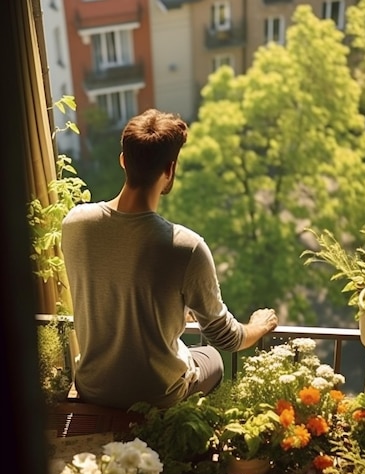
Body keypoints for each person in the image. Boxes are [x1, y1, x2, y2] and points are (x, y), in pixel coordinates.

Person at [61, 109, 278, 411]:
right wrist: (259, 325)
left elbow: (115, 279)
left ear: (123, 160)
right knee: (212, 359)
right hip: (156, 398)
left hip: (93, 388)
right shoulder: (185, 247)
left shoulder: (75, 223)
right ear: (170, 170)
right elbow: (226, 338)